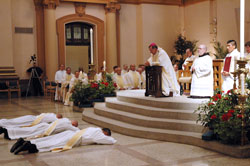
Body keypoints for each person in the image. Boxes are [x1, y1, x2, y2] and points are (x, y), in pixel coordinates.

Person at [12, 127, 116, 154]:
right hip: (74, 138)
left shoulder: (93, 128)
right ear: (104, 132)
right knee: (53, 144)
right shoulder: (98, 133)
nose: (105, 137)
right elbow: (111, 141)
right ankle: (29, 146)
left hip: (70, 134)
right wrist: (112, 138)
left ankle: (25, 142)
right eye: (106, 134)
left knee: (51, 139)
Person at [1, 118, 78, 141]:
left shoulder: (64, 119)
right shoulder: (68, 125)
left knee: (29, 130)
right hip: (44, 129)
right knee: (29, 132)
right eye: (74, 125)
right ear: (73, 124)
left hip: (44, 126)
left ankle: (8, 131)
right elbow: (77, 130)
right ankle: (8, 132)